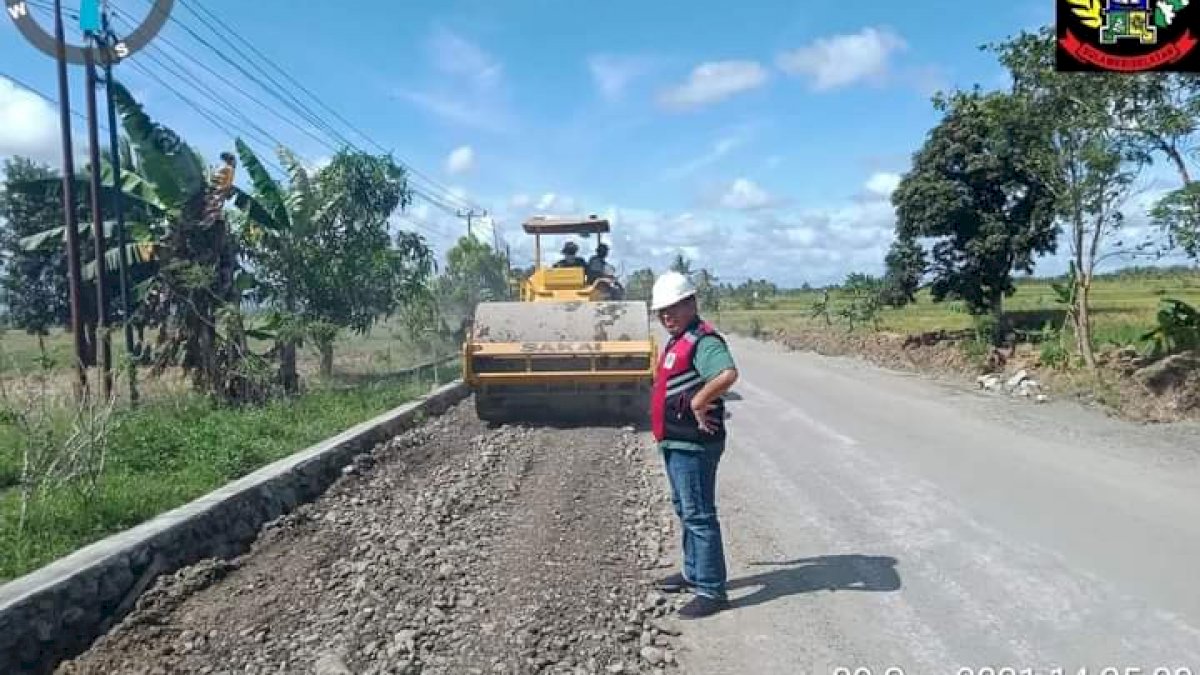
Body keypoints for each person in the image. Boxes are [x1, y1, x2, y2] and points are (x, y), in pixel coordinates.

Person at [648, 271, 738, 619]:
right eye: (661, 311)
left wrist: (700, 401)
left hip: (694, 445)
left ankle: (712, 590)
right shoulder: (678, 338)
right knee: (685, 510)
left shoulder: (704, 342)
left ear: (691, 304)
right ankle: (693, 572)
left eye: (673, 308)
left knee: (699, 515)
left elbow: (727, 373)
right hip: (676, 441)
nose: (666, 316)